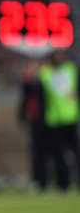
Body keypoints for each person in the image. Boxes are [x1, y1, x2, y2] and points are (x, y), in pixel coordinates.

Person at [38, 51, 79, 191]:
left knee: (75, 152)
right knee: (59, 155)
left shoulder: (70, 69)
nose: (59, 58)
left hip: (71, 117)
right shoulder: (46, 73)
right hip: (54, 119)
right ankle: (63, 185)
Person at [18, 60, 47, 190]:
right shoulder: (28, 84)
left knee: (48, 152)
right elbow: (25, 99)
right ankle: (39, 181)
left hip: (50, 119)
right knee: (36, 152)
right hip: (36, 121)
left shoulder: (46, 78)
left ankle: (53, 180)